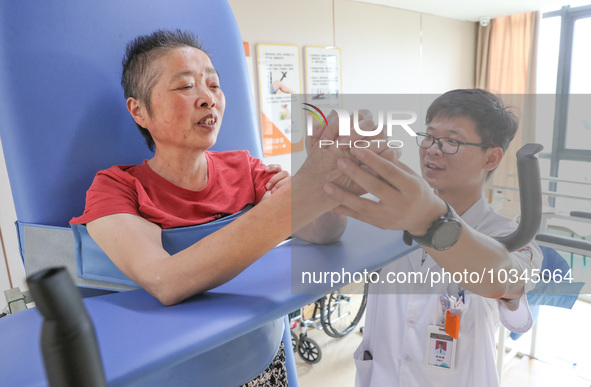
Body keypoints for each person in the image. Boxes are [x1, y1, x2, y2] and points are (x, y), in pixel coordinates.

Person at [69, 29, 387, 386]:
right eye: (185, 86)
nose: (208, 99)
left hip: (261, 359)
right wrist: (301, 198)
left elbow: (323, 234)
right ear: (139, 110)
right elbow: (166, 281)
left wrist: (329, 190)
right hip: (174, 374)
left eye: (214, 85)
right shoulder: (117, 187)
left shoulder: (245, 167)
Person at [324, 89, 543, 386]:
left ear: (491, 158)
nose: (432, 150)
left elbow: (504, 278)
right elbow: (322, 237)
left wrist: (430, 222)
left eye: (452, 141)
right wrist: (326, 176)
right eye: (429, 136)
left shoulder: (511, 236)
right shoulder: (386, 215)